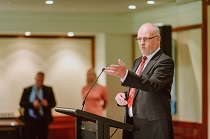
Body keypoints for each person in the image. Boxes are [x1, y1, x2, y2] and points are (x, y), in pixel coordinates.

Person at [104, 23, 174, 139]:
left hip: (153, 128)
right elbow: (139, 90)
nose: (142, 42)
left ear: (158, 39)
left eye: (146, 38)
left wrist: (126, 75)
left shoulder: (164, 61)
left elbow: (153, 85)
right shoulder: (138, 61)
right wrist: (124, 95)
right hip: (133, 124)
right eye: (139, 39)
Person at [20, 71, 56, 139]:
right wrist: (32, 105)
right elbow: (21, 103)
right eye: (38, 80)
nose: (40, 82)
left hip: (43, 121)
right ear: (35, 79)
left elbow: (53, 103)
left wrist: (47, 104)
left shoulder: (48, 90)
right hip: (30, 121)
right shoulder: (27, 90)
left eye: (41, 80)